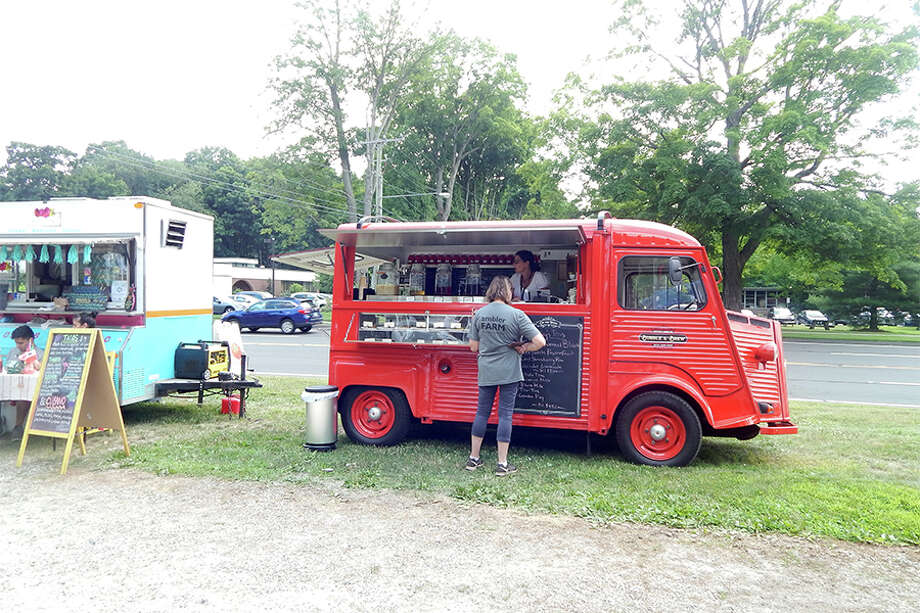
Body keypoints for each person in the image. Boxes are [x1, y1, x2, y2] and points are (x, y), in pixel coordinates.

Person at [466, 276, 546, 476]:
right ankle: (502, 464)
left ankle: (473, 459)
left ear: (491, 291)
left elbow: (473, 348)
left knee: (482, 412)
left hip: (486, 369)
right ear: (508, 292)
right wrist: (524, 347)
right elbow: (540, 341)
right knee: (505, 415)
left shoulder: (479, 314)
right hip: (509, 371)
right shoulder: (517, 314)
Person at [4, 325, 43, 440]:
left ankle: (18, 427)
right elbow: (7, 368)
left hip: (28, 389)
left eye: (21, 343)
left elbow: (40, 370)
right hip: (11, 384)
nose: (18, 346)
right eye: (16, 343)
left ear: (30, 340)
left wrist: (31, 358)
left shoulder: (39, 353)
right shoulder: (13, 351)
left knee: (23, 395)